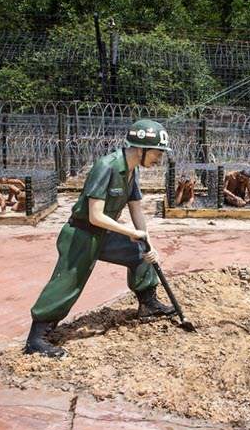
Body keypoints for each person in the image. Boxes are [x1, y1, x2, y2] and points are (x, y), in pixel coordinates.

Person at [25, 119, 176, 357]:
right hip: (81, 234)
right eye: (157, 153)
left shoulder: (132, 170)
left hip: (104, 235)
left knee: (139, 253)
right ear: (141, 148)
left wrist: (148, 243)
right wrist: (131, 233)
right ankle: (37, 339)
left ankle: (148, 305)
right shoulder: (106, 166)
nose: (159, 159)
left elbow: (136, 208)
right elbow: (95, 216)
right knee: (67, 284)